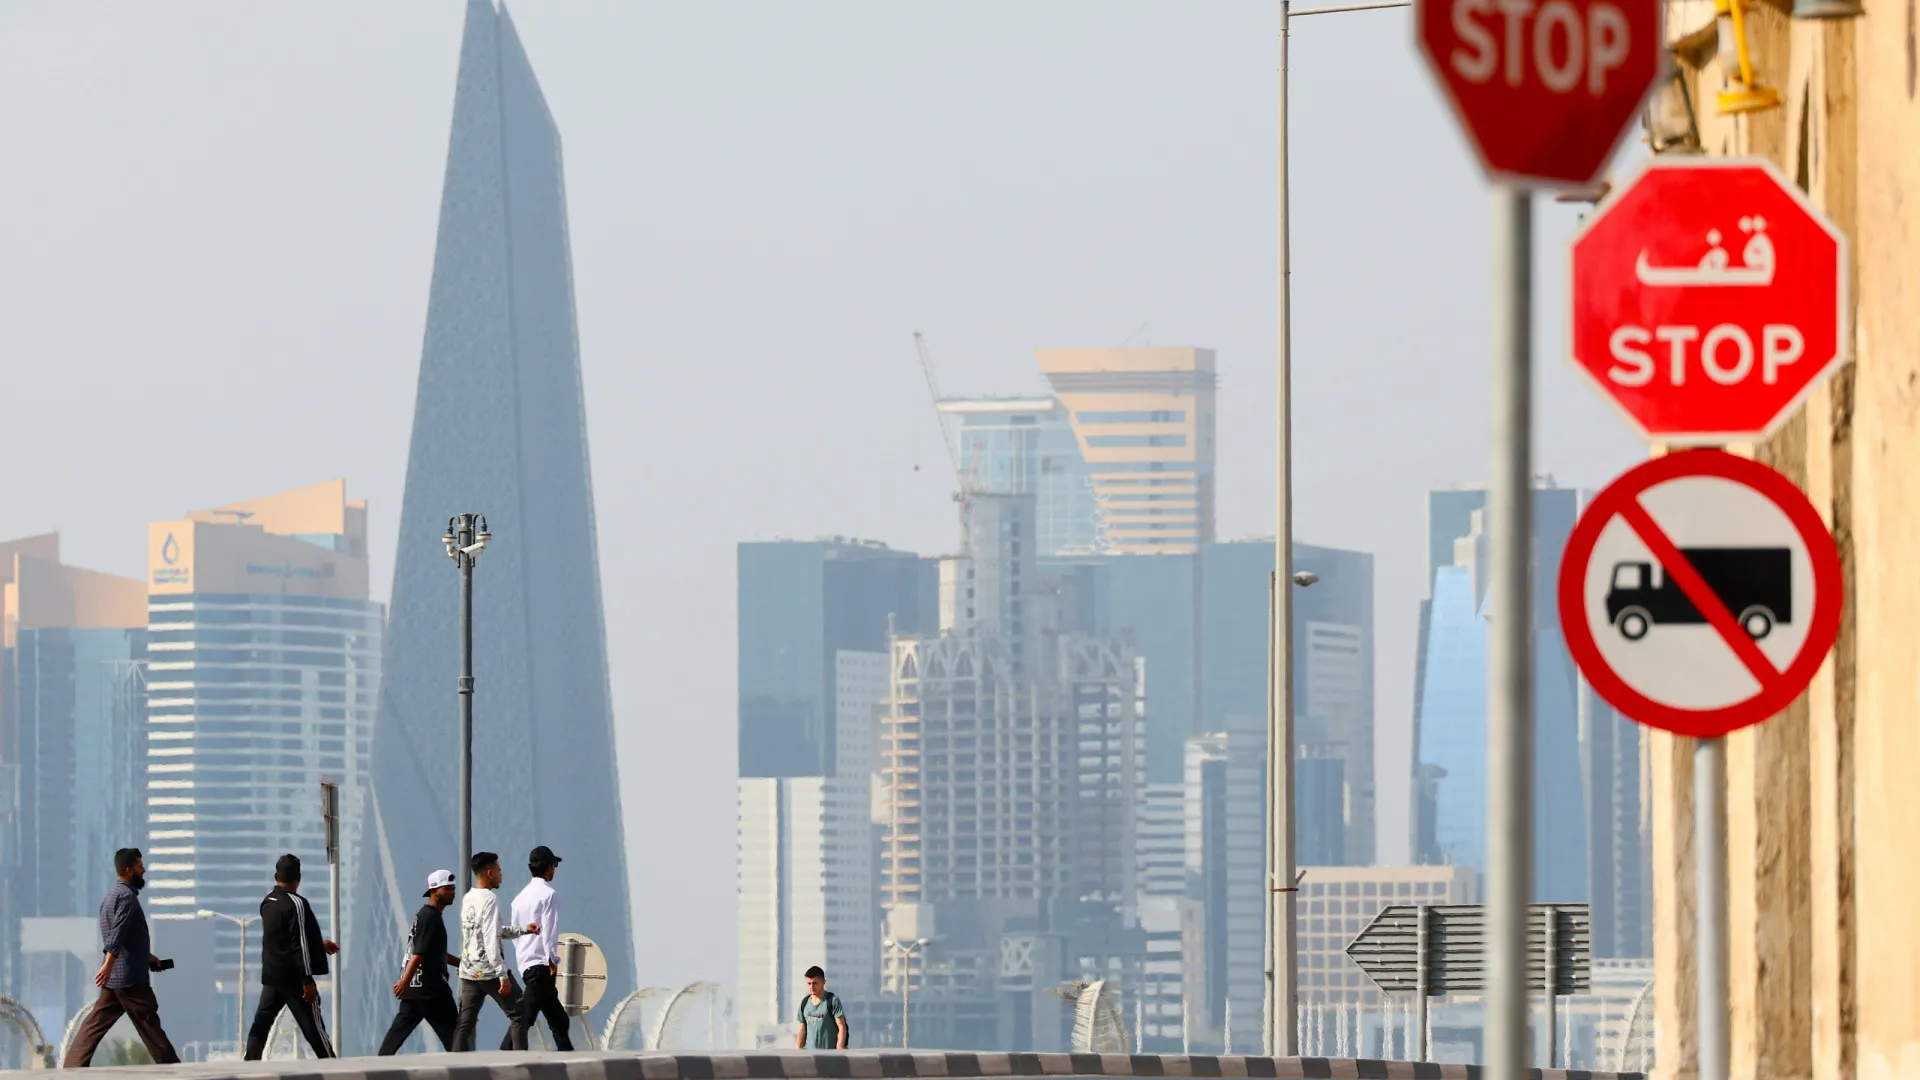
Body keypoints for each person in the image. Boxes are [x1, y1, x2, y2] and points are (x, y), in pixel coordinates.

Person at [62, 848, 181, 1067]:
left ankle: (72, 1066)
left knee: (95, 1023)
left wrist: (147, 957)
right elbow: (116, 935)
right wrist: (108, 965)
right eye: (139, 866)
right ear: (128, 870)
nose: (143, 870)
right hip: (129, 979)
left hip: (116, 978)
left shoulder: (110, 897)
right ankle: (172, 1067)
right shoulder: (127, 898)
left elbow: (123, 936)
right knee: (148, 1022)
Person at [244, 853, 339, 1060]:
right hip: (294, 979)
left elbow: (282, 938)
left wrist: (319, 945)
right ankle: (333, 1067)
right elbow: (299, 945)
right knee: (314, 1029)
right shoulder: (296, 904)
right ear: (299, 878)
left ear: (275, 875)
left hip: (271, 977)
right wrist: (307, 980)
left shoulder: (268, 901)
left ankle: (248, 1066)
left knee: (260, 1027)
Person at [454, 851, 540, 1051]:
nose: (502, 875)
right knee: (520, 1013)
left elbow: (489, 931)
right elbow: (491, 939)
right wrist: (503, 976)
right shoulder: (490, 899)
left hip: (469, 972)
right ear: (490, 872)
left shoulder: (468, 898)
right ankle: (520, 1067)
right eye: (499, 871)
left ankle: (454, 1068)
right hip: (490, 972)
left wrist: (524, 930)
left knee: (464, 1024)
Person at [378, 870, 463, 1055]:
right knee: (457, 1043)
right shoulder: (430, 917)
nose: (452, 892)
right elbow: (419, 954)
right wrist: (404, 981)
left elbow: (436, 952)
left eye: (453, 888)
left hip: (415, 992)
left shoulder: (424, 915)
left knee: (392, 1042)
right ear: (434, 891)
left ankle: (377, 1069)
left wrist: (462, 964)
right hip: (432, 991)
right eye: (447, 888)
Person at [509, 845, 572, 1051]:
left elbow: (516, 933)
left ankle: (569, 1060)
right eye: (554, 865)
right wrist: (552, 960)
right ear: (548, 867)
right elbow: (549, 931)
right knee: (525, 1018)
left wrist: (524, 958)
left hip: (526, 963)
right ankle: (502, 1054)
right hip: (541, 965)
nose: (554, 869)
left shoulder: (518, 899)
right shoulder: (549, 895)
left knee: (559, 1020)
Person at [794, 966, 848, 1050]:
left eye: (815, 983)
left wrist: (839, 1049)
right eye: (809, 983)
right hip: (809, 1055)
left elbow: (841, 1027)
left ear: (823, 982)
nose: (811, 986)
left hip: (829, 1055)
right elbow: (802, 1030)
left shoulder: (832, 1001)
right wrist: (798, 1051)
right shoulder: (804, 1003)